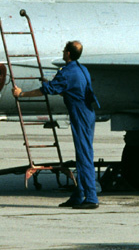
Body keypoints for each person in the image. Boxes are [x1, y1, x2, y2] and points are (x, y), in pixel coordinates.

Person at [13, 40, 101, 209]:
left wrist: (21, 93)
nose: (62, 50)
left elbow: (47, 90)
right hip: (88, 113)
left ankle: (91, 197)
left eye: (64, 49)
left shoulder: (67, 72)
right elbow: (67, 88)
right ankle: (78, 196)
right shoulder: (82, 69)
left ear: (68, 53)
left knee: (84, 156)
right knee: (83, 153)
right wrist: (52, 84)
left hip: (80, 115)